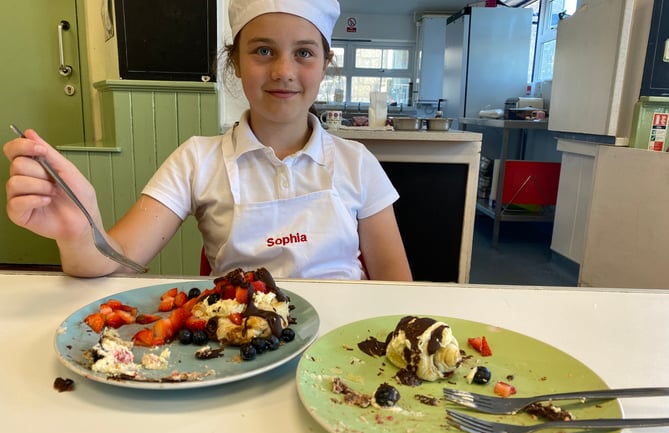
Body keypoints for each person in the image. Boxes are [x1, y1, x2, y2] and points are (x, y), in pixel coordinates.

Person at [3, 0, 412, 281]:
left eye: (304, 53)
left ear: (326, 64)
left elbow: (396, 288)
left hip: (344, 354)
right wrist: (78, 230)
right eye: (264, 51)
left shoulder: (357, 162)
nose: (284, 70)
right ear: (234, 62)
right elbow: (115, 264)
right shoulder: (197, 159)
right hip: (242, 353)